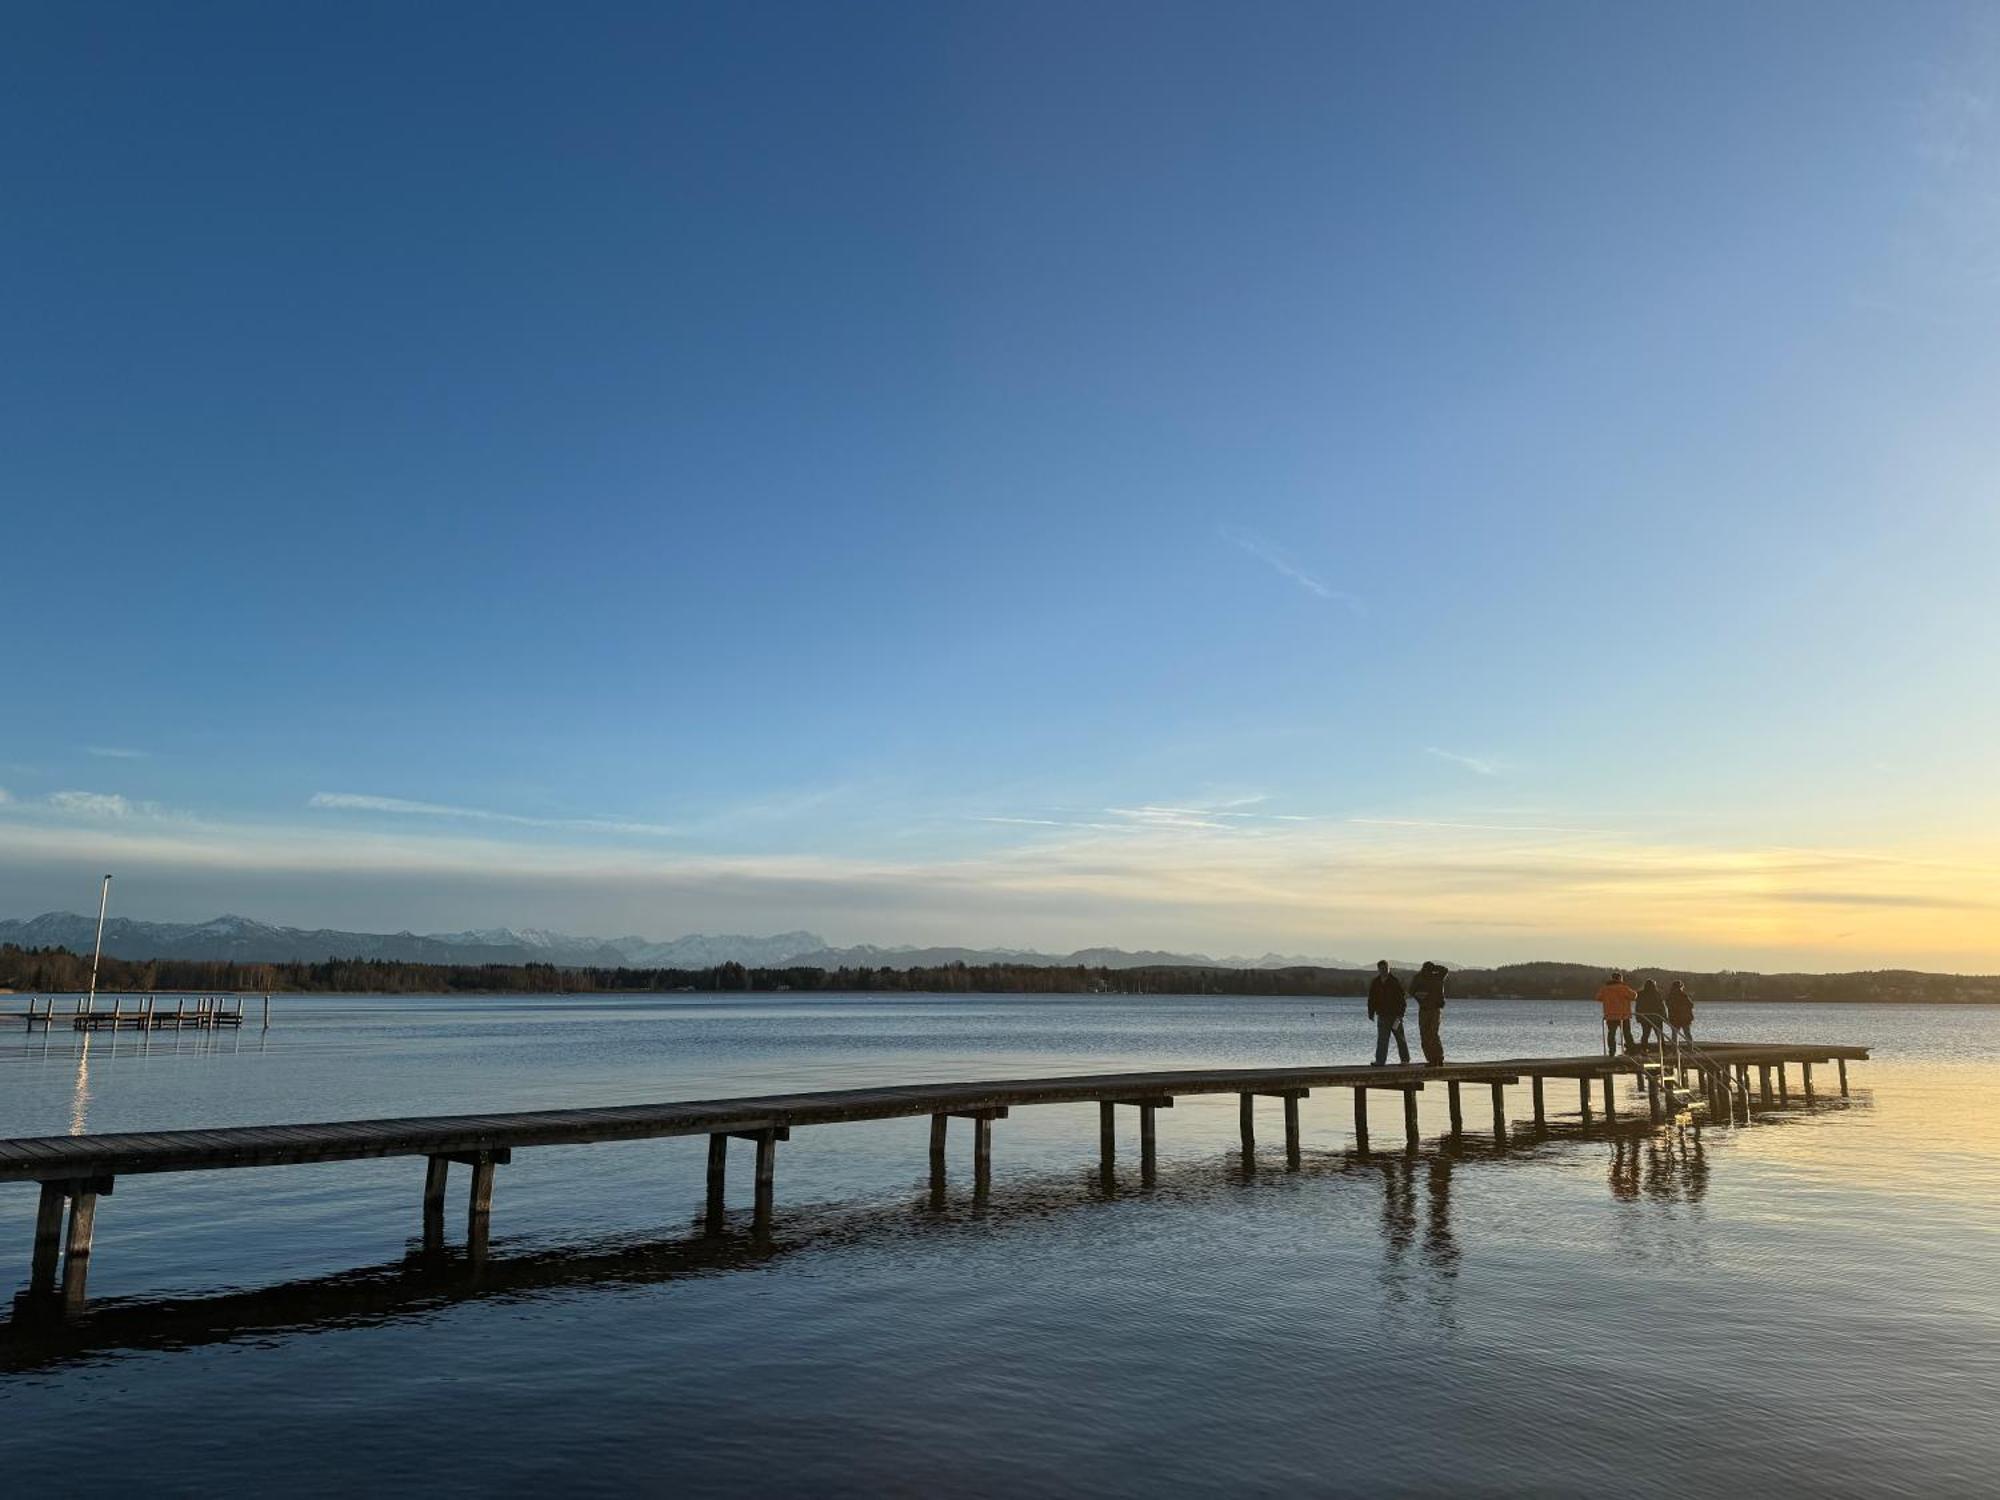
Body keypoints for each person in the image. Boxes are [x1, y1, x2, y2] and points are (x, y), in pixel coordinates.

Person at [1367, 960, 1409, 1066]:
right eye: (1382, 969)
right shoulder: (1376, 982)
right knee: (1382, 1040)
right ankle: (1380, 1061)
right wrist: (1371, 1012)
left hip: (1395, 1016)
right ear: (1378, 969)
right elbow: (1371, 999)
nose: (1384, 970)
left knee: (1400, 1038)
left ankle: (1405, 1060)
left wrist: (1400, 1015)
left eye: (1386, 968)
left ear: (1389, 968)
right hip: (1382, 1015)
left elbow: (1402, 1000)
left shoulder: (1394, 982)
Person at [1410, 961, 1449, 1066]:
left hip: (1435, 1009)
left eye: (1429, 970)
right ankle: (1432, 1059)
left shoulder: (1437, 976)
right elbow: (1411, 991)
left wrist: (1433, 968)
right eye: (1426, 970)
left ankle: (1438, 1058)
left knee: (1432, 1034)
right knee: (1426, 1035)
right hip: (1425, 1009)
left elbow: (1445, 970)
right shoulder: (1419, 978)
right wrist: (1419, 996)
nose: (1428, 972)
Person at [1595, 970, 1637, 1055]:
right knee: (1627, 1033)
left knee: (1611, 1034)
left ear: (1612, 978)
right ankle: (1632, 1050)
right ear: (1620, 979)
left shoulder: (1605, 989)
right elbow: (1634, 996)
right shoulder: (1623, 988)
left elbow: (1598, 997)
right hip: (1623, 1015)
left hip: (1610, 1015)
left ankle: (1612, 1051)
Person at [1634, 978, 1667, 1050]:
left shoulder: (1640, 994)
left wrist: (1638, 1017)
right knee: (1659, 1034)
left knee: (1645, 1034)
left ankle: (1644, 1049)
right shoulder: (1657, 993)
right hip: (1656, 1018)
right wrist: (1665, 1017)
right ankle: (1662, 1049)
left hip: (1645, 1018)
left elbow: (1638, 1006)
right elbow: (1662, 1006)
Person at [1667, 980, 1695, 1045]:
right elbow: (1691, 1005)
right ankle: (1690, 1048)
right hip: (1684, 1018)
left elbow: (1668, 1005)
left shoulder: (1670, 996)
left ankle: (1675, 1050)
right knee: (1687, 1033)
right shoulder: (1684, 996)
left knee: (1675, 1034)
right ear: (1681, 987)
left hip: (1674, 1018)